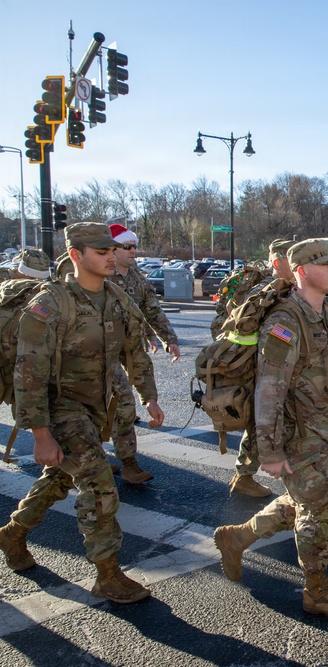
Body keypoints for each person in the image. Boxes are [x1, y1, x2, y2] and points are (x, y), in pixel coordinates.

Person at [213, 239, 328, 621]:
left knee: (301, 501)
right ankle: (317, 590)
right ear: (301, 271)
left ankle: (237, 537)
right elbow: (269, 390)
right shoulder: (285, 322)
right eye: (325, 264)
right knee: (320, 512)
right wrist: (271, 450)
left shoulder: (327, 315)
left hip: (319, 428)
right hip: (293, 433)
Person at [0, 223, 164, 603]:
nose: (111, 256)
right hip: (59, 406)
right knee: (98, 480)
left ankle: (12, 533)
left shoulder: (117, 297)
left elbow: (136, 351)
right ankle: (107, 573)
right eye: (101, 251)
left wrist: (150, 397)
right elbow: (29, 371)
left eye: (112, 251)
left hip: (96, 407)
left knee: (59, 478)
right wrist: (40, 433)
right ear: (76, 255)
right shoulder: (50, 304)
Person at [106, 223, 181, 484]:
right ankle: (121, 460)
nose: (133, 251)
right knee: (119, 402)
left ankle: (125, 462)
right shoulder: (100, 277)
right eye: (127, 247)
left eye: (135, 246)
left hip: (129, 347)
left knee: (137, 390)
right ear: (112, 249)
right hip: (99, 352)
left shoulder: (136, 277)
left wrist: (168, 339)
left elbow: (152, 310)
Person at [228, 238, 297, 498]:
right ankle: (246, 476)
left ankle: (245, 475)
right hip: (265, 368)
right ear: (278, 262)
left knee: (268, 423)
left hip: (280, 367)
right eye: (293, 259)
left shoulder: (287, 288)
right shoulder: (269, 290)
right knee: (265, 423)